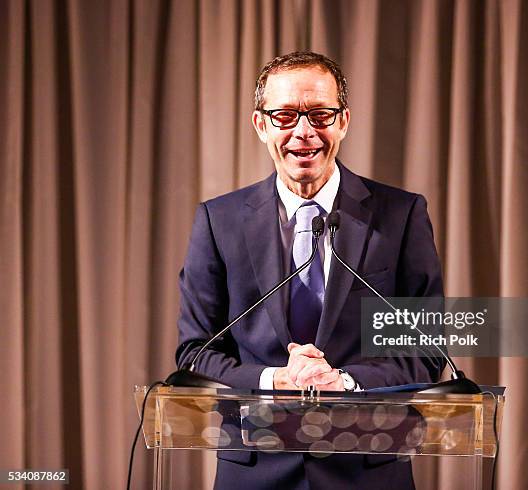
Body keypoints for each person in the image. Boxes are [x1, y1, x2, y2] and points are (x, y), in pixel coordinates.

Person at [176, 51, 445, 490]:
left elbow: (428, 348)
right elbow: (195, 352)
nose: (304, 132)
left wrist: (344, 380)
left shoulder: (400, 215)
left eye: (320, 114)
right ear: (261, 124)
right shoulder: (217, 220)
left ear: (343, 121)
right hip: (255, 467)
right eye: (285, 115)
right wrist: (275, 378)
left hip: (368, 465)